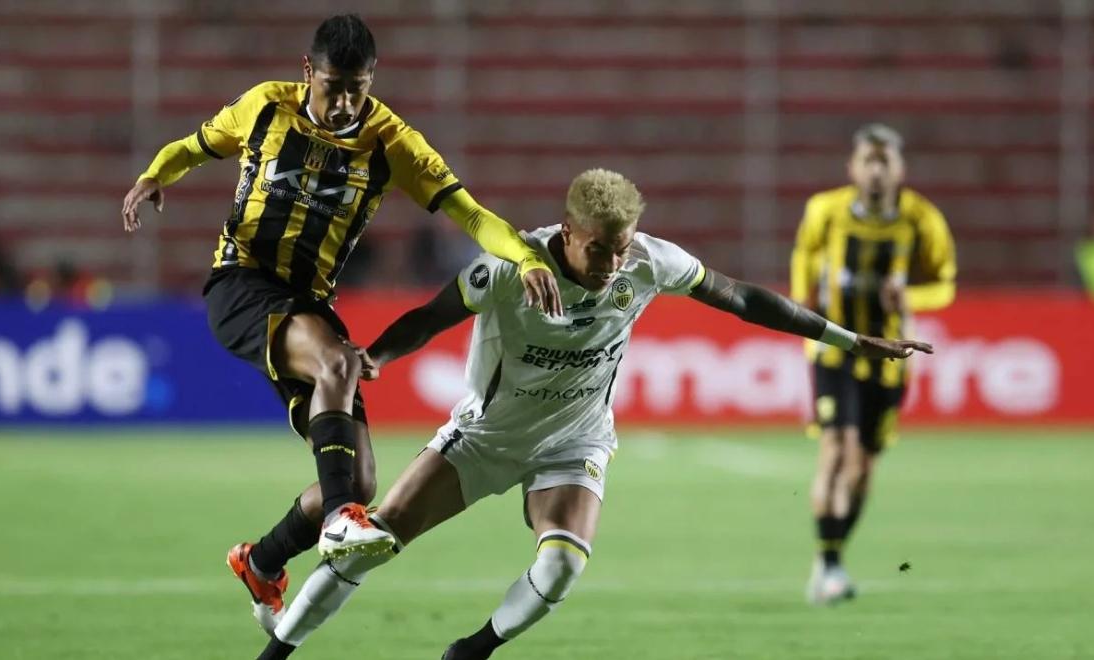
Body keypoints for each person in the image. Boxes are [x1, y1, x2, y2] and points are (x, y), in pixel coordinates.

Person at [254, 169, 933, 659]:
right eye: (600, 248)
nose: (614, 262)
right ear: (568, 232)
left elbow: (741, 298)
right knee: (370, 543)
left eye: (622, 246)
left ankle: (471, 651)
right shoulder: (510, 267)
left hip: (573, 442)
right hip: (484, 438)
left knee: (561, 567)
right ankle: (276, 652)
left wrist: (847, 338)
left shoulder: (649, 262)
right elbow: (432, 316)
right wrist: (376, 354)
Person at [119, 13, 562, 631]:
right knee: (336, 365)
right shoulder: (264, 107)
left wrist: (525, 255)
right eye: (333, 87)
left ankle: (262, 561)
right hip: (242, 282)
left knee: (357, 478)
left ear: (371, 79)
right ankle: (336, 523)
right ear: (308, 72)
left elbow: (470, 214)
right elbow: (192, 147)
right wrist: (153, 176)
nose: (345, 103)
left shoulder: (390, 141)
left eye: (358, 88)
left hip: (309, 304)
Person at [789, 124, 956, 605]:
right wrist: (803, 307)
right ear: (853, 167)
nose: (877, 171)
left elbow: (945, 284)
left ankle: (832, 558)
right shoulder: (825, 210)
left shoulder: (922, 219)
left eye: (885, 162)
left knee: (862, 467)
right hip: (836, 348)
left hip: (891, 358)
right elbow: (804, 257)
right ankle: (829, 565)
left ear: (900, 170)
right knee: (836, 450)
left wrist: (911, 297)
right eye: (869, 160)